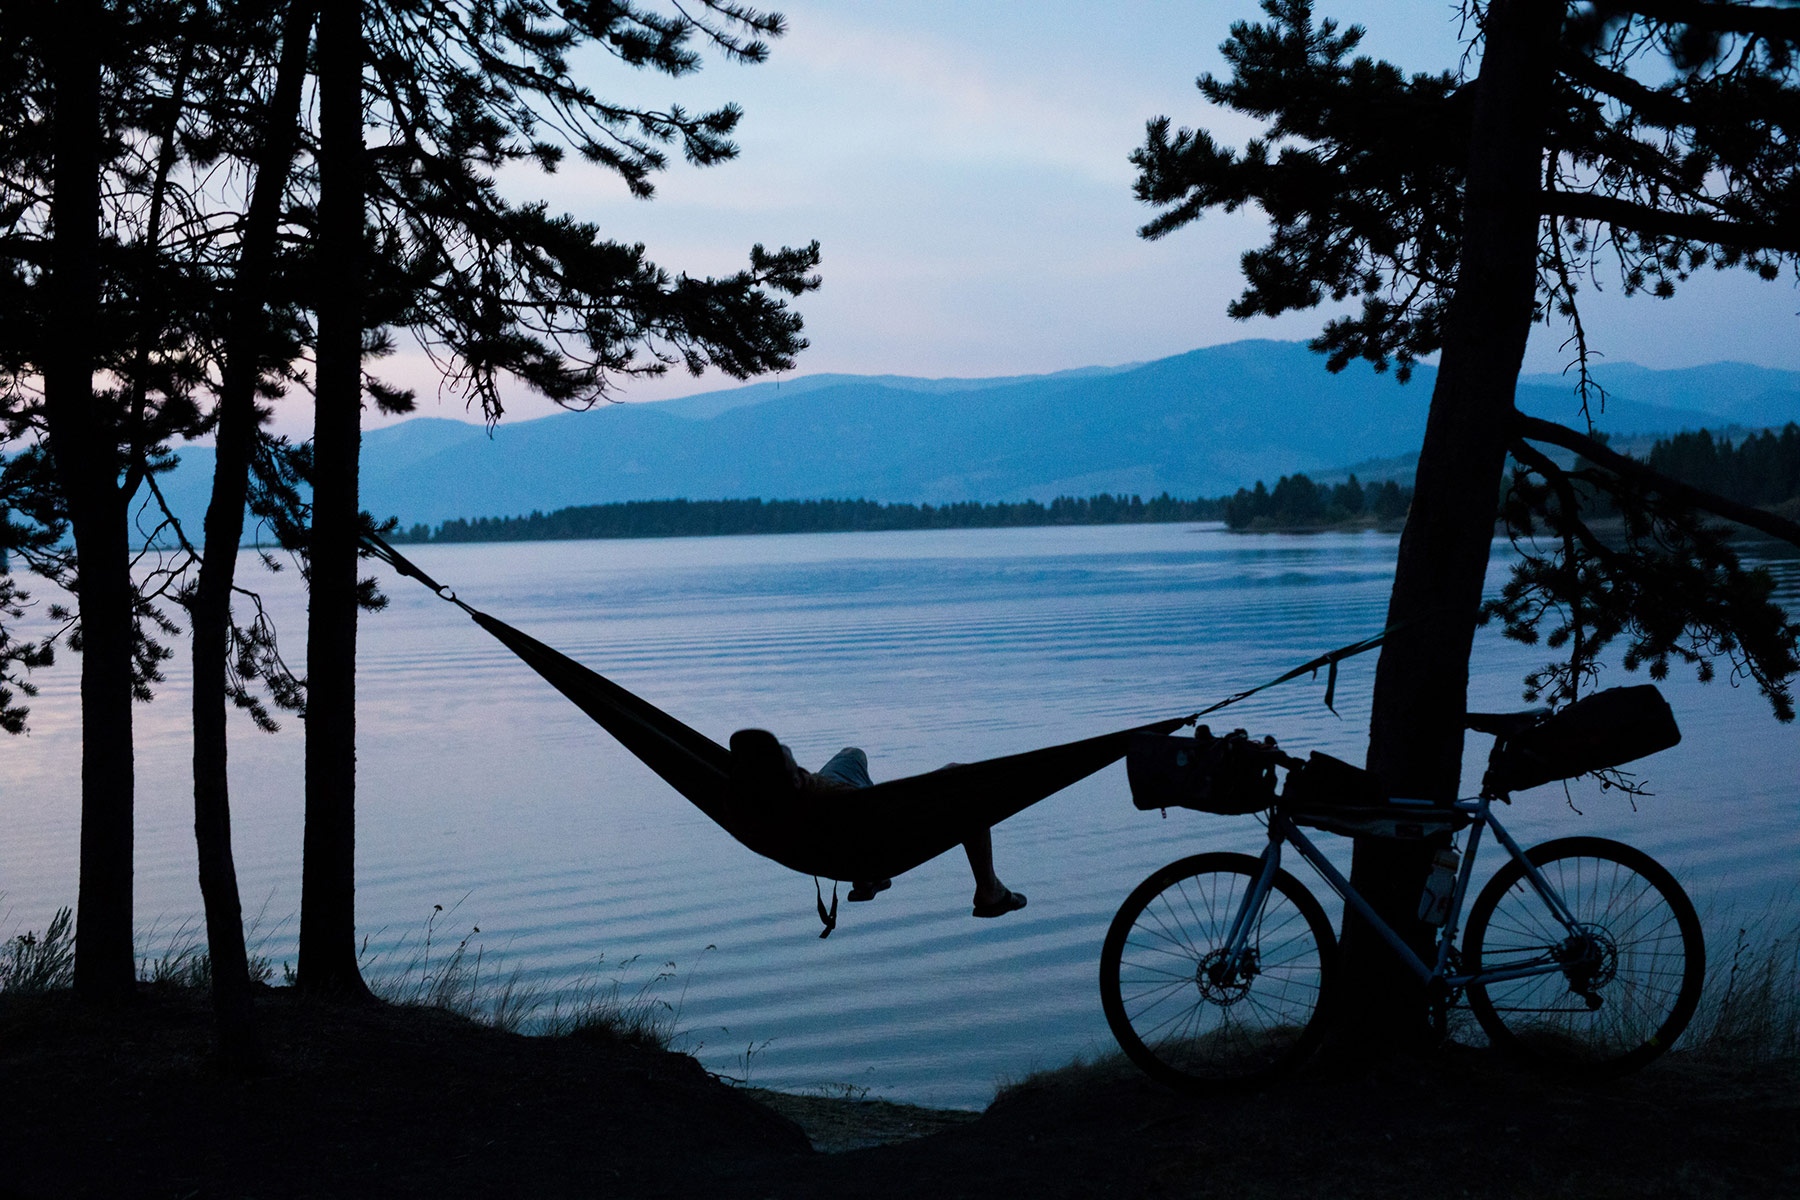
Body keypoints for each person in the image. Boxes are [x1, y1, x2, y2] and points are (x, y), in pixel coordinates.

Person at [730, 730, 1029, 918]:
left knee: (853, 754)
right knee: (966, 782)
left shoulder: (750, 803)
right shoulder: (837, 802)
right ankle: (989, 890)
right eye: (793, 766)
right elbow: (874, 816)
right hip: (862, 830)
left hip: (828, 822)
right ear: (793, 779)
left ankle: (867, 880)